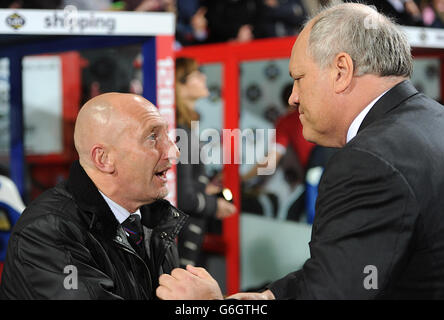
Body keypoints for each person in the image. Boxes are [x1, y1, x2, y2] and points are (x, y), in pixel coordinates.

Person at [155, 2, 444, 300]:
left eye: (299, 78)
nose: (293, 97)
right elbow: (353, 268)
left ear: (341, 71)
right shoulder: (434, 119)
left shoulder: (367, 162)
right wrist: (271, 297)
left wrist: (212, 307)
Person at [0, 93, 186, 299]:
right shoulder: (49, 232)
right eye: (152, 137)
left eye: (167, 135)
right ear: (104, 158)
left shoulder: (153, 220)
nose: (173, 151)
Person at [175, 57, 236, 269]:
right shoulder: (180, 130)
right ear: (180, 83)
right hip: (182, 241)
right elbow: (183, 198)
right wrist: (215, 205)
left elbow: (185, 186)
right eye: (196, 74)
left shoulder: (184, 127)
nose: (204, 77)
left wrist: (204, 188)